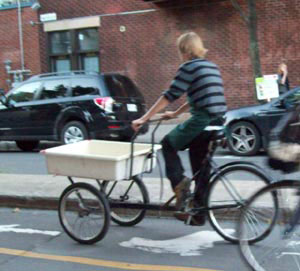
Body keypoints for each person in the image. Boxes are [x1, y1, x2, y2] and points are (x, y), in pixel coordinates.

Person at [132, 32, 227, 225]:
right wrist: (175, 114)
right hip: (218, 121)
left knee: (167, 144)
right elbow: (200, 96)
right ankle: (198, 214)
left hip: (202, 120)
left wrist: (144, 118)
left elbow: (170, 95)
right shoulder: (211, 66)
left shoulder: (188, 67)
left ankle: (179, 184)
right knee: (200, 168)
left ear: (184, 50)